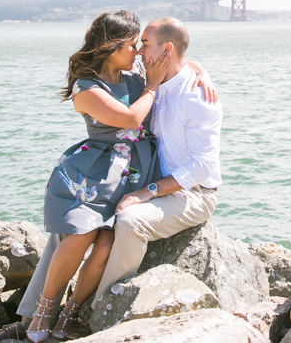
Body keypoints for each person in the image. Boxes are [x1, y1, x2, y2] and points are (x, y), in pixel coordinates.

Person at [0, 11, 216, 343]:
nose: (139, 52)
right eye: (133, 45)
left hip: (133, 175)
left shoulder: (137, 76)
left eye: (140, 45)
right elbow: (132, 118)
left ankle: (66, 317)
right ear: (111, 47)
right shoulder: (89, 88)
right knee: (72, 236)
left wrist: (199, 71)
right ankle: (36, 319)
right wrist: (154, 86)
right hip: (97, 174)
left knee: (100, 241)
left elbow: (176, 59)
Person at [87, 16, 222, 310]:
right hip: (157, 183)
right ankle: (39, 308)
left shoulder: (198, 94)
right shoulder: (154, 80)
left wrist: (148, 191)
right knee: (81, 211)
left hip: (194, 193)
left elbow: (202, 165)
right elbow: (187, 62)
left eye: (144, 45)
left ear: (167, 49)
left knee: (131, 222)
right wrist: (200, 67)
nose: (138, 53)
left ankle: (100, 310)